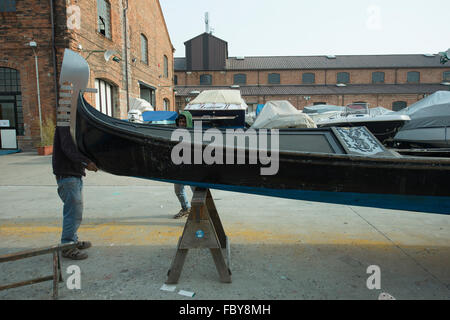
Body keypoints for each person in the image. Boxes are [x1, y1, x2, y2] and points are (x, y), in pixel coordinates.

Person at [52, 126, 98, 260]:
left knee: (75, 211)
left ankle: (73, 240)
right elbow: (68, 148)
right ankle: (67, 246)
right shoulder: (64, 123)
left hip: (73, 175)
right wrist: (86, 162)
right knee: (73, 212)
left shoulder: (71, 122)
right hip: (67, 175)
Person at [173, 111, 195, 219]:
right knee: (178, 190)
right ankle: (186, 208)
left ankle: (199, 212)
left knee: (197, 192)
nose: (182, 124)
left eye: (184, 122)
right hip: (179, 167)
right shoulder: (174, 133)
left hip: (192, 167)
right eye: (180, 121)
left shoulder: (195, 134)